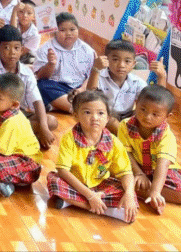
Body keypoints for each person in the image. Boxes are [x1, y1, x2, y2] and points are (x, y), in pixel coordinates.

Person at [46, 90, 137, 223]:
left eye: (101, 113)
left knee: (129, 191)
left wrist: (129, 194)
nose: (95, 117)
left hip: (100, 184)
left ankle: (71, 202)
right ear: (76, 115)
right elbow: (63, 171)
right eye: (87, 112)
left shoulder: (114, 142)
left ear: (108, 117)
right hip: (75, 184)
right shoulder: (69, 138)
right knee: (54, 181)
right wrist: (90, 196)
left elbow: (126, 172)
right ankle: (107, 210)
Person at [0, 23, 57, 149]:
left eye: (16, 48)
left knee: (51, 121)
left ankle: (2, 138)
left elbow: (37, 101)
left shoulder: (26, 73)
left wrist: (44, 128)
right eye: (6, 48)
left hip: (17, 114)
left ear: (22, 50)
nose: (12, 52)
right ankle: (15, 139)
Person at [117, 85, 181, 212]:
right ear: (136, 104)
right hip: (136, 166)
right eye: (143, 109)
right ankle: (139, 188)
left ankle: (142, 191)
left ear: (167, 116)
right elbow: (125, 153)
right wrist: (139, 173)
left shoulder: (166, 136)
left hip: (161, 171)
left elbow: (162, 165)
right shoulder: (125, 125)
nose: (147, 117)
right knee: (110, 170)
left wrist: (155, 192)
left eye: (155, 114)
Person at [0, 73, 43, 197]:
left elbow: (2, 152)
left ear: (14, 105)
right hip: (11, 160)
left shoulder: (11, 122)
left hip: (27, 165)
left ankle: (7, 182)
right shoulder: (0, 114)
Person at [86, 39, 156, 134]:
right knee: (110, 120)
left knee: (146, 116)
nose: (121, 65)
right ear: (106, 60)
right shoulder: (99, 75)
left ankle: (127, 134)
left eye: (127, 61)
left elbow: (154, 101)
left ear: (133, 64)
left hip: (127, 115)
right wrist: (96, 69)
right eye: (115, 59)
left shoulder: (137, 82)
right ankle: (125, 137)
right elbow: (90, 96)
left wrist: (161, 77)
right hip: (106, 114)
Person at [33, 12, 95, 113]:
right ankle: (76, 108)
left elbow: (92, 75)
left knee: (97, 87)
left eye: (72, 29)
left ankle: (59, 105)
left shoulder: (87, 50)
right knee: (40, 86)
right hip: (57, 87)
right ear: (55, 32)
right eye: (62, 30)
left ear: (78, 30)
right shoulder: (46, 48)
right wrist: (51, 64)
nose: (68, 33)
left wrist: (81, 89)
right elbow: (41, 77)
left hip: (79, 88)